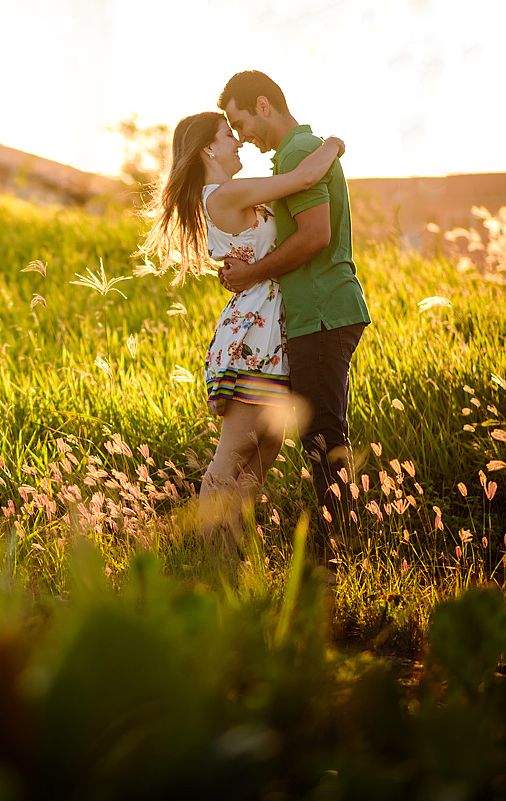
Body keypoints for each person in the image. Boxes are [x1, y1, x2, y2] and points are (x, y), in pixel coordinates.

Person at [140, 111, 344, 547]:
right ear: (208, 149)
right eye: (228, 136)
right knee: (231, 458)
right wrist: (334, 143)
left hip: (273, 334)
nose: (238, 143)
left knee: (262, 458)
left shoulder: (223, 194)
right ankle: (205, 557)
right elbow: (308, 176)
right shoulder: (224, 194)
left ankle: (234, 558)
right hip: (253, 337)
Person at [216, 70, 371, 548]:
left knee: (324, 435)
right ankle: (338, 550)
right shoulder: (296, 153)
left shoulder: (299, 153)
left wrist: (254, 273)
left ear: (264, 105)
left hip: (323, 311)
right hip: (314, 313)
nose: (242, 136)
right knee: (319, 436)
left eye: (241, 123)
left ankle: (340, 555)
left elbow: (315, 236)